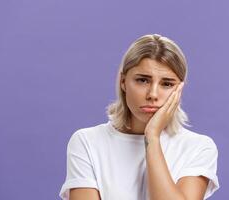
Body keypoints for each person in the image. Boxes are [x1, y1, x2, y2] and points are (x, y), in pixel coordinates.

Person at [59, 34, 220, 200]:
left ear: (179, 90)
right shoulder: (87, 142)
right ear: (123, 82)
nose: (153, 94)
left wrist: (152, 137)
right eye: (143, 80)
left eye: (167, 84)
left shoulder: (198, 148)